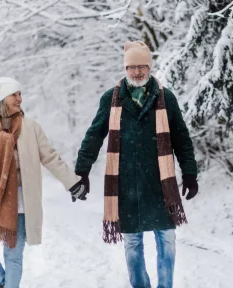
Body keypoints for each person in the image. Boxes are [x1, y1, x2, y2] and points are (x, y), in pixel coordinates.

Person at [75, 41, 199, 288]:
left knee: (167, 239)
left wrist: (190, 173)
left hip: (160, 184)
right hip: (126, 185)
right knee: (132, 244)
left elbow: (181, 138)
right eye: (132, 67)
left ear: (150, 67)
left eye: (142, 66)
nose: (137, 72)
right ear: (125, 68)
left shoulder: (166, 98)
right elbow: (94, 135)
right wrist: (82, 171)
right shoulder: (111, 99)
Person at [0, 77, 87, 288]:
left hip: (20, 204)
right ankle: (2, 283)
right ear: (1, 98)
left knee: (13, 257)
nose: (20, 98)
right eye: (15, 94)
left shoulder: (31, 127)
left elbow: (50, 157)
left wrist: (72, 182)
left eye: (20, 94)